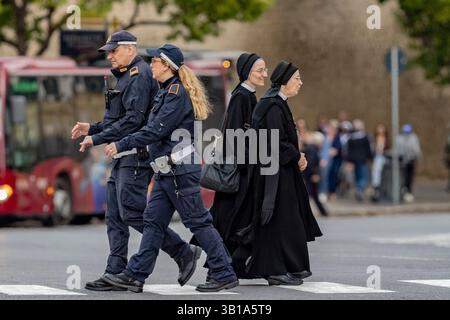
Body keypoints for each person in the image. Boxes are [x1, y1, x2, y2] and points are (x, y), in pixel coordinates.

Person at [102, 44, 238, 293]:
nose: (150, 64)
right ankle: (135, 274)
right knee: (152, 222)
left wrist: (121, 144)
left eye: (154, 61)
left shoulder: (176, 94)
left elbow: (155, 130)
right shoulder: (165, 92)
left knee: (197, 222)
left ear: (166, 65)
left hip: (179, 172)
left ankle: (223, 271)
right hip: (167, 172)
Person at [71, 32, 200, 292]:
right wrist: (92, 128)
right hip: (122, 155)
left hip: (136, 155)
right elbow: (116, 119)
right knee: (115, 216)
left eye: (114, 51)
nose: (109, 56)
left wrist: (96, 139)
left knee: (132, 212)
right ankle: (115, 271)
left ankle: (182, 251)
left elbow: (134, 122)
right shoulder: (123, 76)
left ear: (130, 49)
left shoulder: (139, 76)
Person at [248, 61, 323, 286]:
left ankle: (291, 266)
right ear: (284, 81)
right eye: (297, 78)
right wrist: (297, 156)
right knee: (276, 221)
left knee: (288, 220)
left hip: (282, 173)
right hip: (274, 175)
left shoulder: (279, 103)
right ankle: (274, 270)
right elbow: (274, 141)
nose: (300, 82)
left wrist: (295, 156)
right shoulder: (272, 105)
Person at [206, 52, 268, 279]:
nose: (265, 74)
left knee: (240, 219)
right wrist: (245, 166)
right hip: (238, 173)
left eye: (265, 69)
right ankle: (218, 268)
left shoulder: (247, 95)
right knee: (231, 220)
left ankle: (236, 264)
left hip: (243, 170)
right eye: (260, 70)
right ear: (246, 71)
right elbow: (234, 134)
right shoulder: (242, 96)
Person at [346, 119, 373, 202]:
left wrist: (349, 161)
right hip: (361, 160)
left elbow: (349, 151)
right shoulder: (364, 137)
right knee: (362, 176)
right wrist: (370, 158)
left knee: (358, 176)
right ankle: (359, 189)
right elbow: (368, 149)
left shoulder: (351, 137)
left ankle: (359, 189)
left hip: (355, 160)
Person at [396, 123, 421, 202]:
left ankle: (409, 191)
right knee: (403, 177)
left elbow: (416, 149)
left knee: (410, 177)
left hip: (411, 160)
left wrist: (417, 157)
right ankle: (403, 191)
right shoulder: (399, 138)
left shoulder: (413, 137)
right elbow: (397, 149)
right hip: (402, 160)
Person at [371, 123, 389, 202]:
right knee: (376, 173)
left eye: (382, 128)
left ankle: (383, 191)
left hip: (384, 158)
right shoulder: (374, 139)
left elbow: (388, 148)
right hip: (377, 158)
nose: (380, 130)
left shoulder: (387, 139)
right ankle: (376, 190)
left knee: (384, 174)